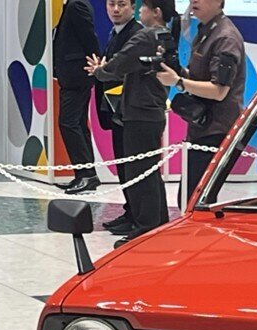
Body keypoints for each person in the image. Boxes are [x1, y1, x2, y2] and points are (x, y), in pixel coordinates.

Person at [88, 0, 175, 245]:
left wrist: (100, 71)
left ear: (155, 12)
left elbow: (119, 64)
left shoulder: (145, 36)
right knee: (149, 171)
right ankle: (156, 222)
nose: (139, 11)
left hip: (140, 111)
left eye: (142, 7)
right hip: (151, 109)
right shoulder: (165, 35)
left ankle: (145, 227)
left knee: (140, 173)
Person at [156, 0, 245, 205]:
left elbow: (219, 91)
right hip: (202, 127)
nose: (193, 1)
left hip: (217, 130)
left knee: (193, 200)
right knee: (190, 198)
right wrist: (177, 70)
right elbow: (200, 77)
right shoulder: (206, 31)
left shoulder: (225, 38)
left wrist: (179, 82)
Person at [95, 0, 141, 235]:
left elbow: (123, 70)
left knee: (132, 165)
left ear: (133, 7)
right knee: (122, 164)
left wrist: (102, 70)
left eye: (121, 4)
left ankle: (137, 215)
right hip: (116, 109)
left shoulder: (136, 34)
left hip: (130, 109)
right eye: (111, 4)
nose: (115, 9)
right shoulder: (115, 33)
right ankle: (130, 210)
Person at [53, 0, 101, 194]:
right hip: (73, 75)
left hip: (77, 75)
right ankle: (85, 174)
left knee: (69, 123)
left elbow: (89, 37)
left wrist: (96, 66)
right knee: (78, 123)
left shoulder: (77, 5)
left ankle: (86, 174)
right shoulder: (72, 5)